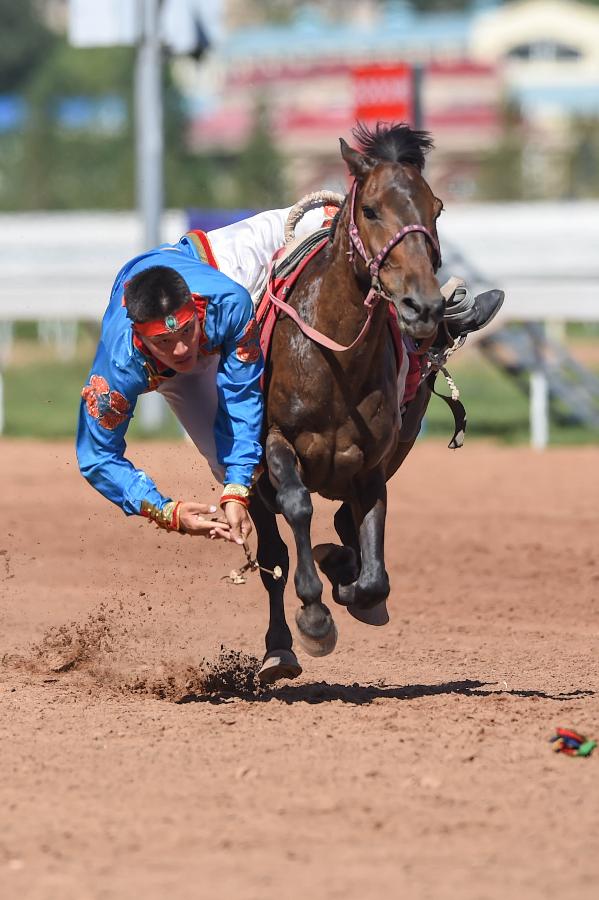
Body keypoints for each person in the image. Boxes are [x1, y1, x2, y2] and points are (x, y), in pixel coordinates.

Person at [77, 205, 503, 544]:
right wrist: (169, 511)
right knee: (233, 467)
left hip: (228, 263)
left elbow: (243, 395)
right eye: (164, 344)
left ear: (197, 310)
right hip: (191, 327)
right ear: (138, 340)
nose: (182, 349)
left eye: (186, 332)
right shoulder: (117, 371)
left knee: (334, 217)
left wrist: (236, 491)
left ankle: (431, 321)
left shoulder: (228, 302)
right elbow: (97, 457)